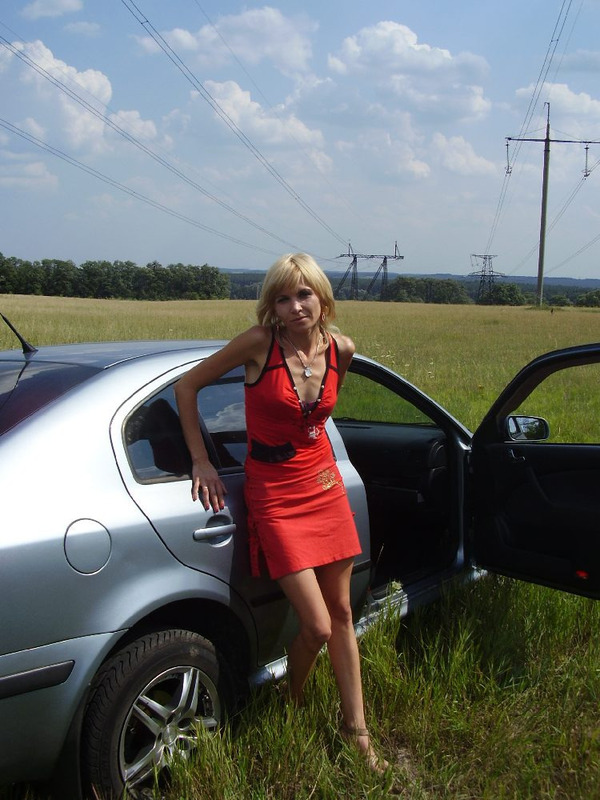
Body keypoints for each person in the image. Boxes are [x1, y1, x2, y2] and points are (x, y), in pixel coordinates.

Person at [174, 252, 387, 773]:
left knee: (342, 614)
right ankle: (292, 699)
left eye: (304, 294)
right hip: (274, 493)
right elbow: (187, 386)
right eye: (283, 298)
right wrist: (201, 460)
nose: (295, 307)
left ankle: (357, 732)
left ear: (322, 297)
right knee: (316, 625)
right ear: (272, 306)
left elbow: (316, 418)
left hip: (324, 486)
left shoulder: (341, 349)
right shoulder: (258, 344)